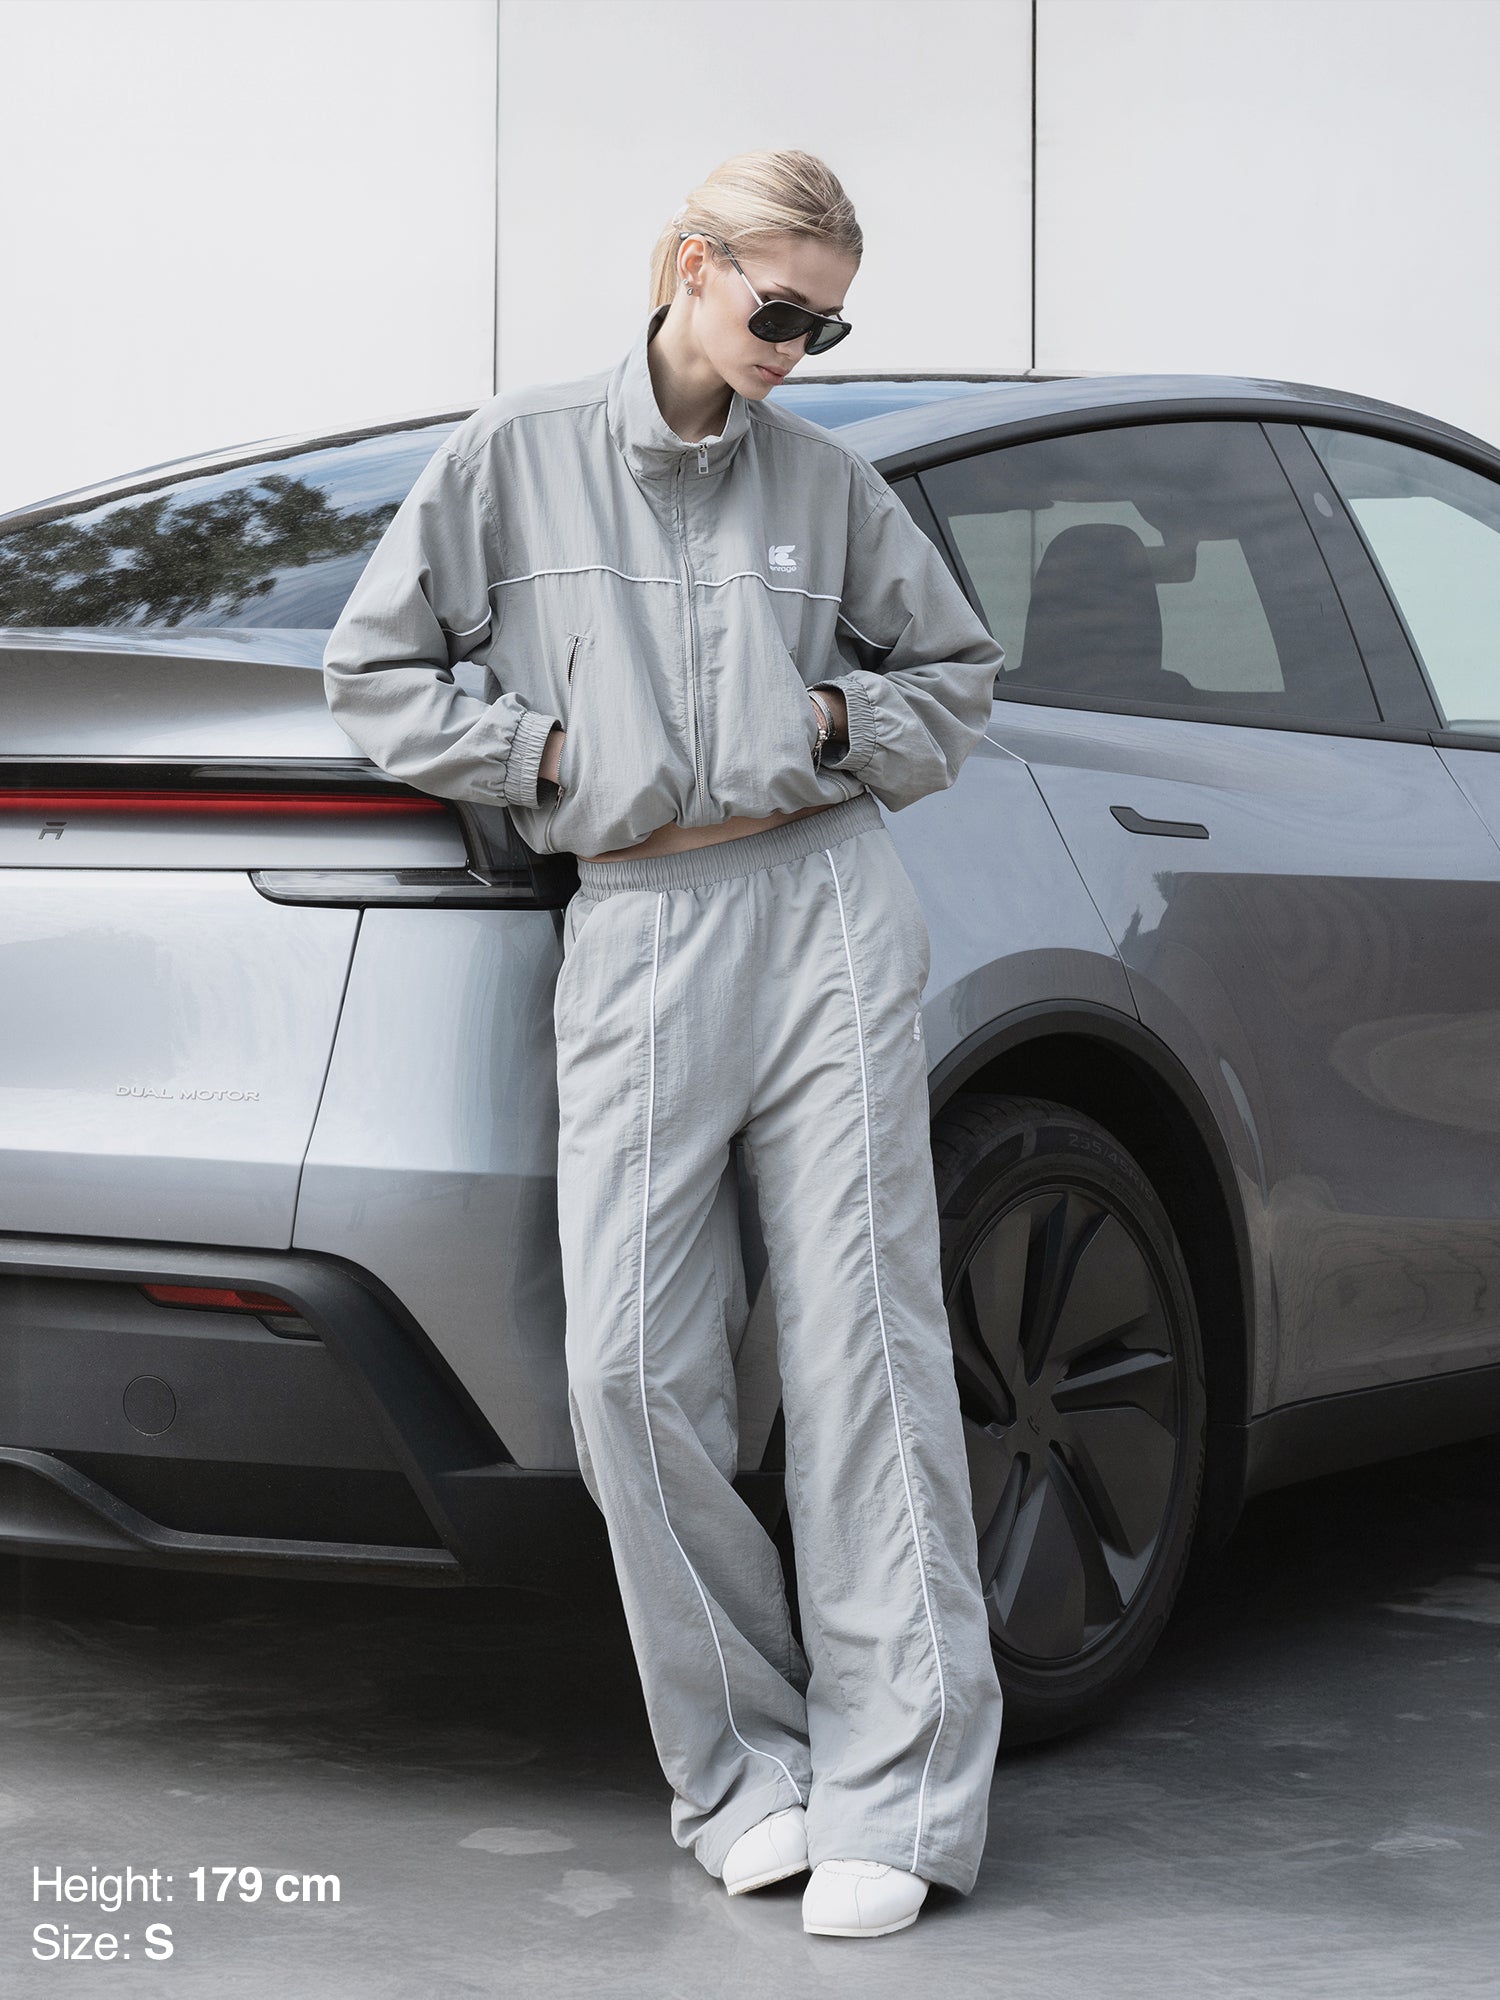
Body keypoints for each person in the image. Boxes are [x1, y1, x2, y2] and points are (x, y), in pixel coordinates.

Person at [323, 147, 1005, 1940]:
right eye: (781, 309)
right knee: (631, 1364)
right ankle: (745, 1772)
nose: (800, 347)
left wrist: (839, 721)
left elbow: (954, 676)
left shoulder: (828, 484)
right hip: (634, 920)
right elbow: (374, 672)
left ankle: (903, 1793)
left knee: (866, 1345)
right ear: (692, 268)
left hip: (826, 909)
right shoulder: (515, 456)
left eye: (828, 324)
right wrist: (541, 759)